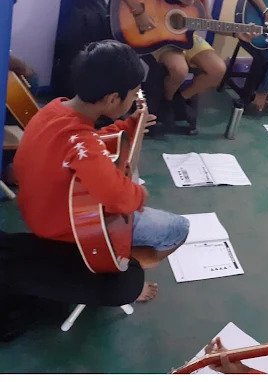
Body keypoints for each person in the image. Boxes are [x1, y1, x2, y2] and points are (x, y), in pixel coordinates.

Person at [13, 40, 190, 303]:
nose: (136, 99)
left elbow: (88, 143)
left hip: (38, 212)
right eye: (133, 95)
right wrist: (140, 194)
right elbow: (120, 198)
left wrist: (126, 126)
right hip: (70, 229)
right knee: (179, 228)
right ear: (112, 99)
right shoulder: (82, 143)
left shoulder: (54, 109)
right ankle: (123, 270)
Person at [112, 0, 226, 131]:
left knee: (218, 69)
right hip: (160, 37)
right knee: (180, 69)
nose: (191, 2)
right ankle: (167, 100)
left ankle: (178, 99)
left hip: (187, 37)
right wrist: (139, 12)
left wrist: (235, 32)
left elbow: (207, 21)